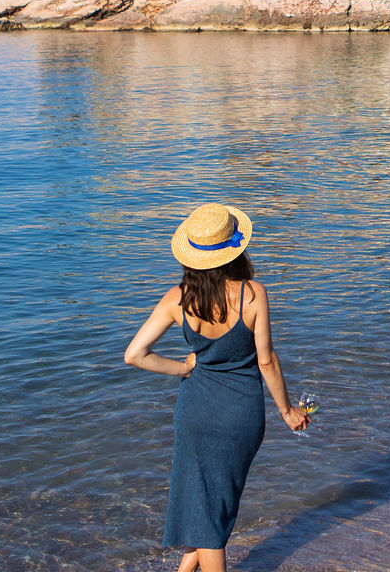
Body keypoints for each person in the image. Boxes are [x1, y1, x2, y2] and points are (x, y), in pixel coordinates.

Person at [125, 203, 308, 572]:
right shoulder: (253, 294)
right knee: (215, 505)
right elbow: (267, 361)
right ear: (233, 250)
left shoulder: (177, 298)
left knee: (208, 505)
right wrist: (288, 412)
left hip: (195, 412)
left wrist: (183, 367)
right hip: (240, 415)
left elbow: (135, 354)